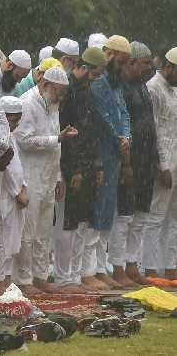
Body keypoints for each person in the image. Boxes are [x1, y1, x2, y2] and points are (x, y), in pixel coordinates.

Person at [13, 66, 73, 294]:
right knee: (28, 231)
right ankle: (23, 280)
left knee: (44, 231)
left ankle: (39, 276)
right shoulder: (27, 103)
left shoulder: (54, 105)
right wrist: (56, 138)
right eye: (59, 91)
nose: (61, 96)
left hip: (48, 176)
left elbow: (55, 145)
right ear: (46, 85)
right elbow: (24, 140)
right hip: (30, 175)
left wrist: (58, 176)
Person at [56, 47, 107, 293]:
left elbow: (91, 132)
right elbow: (67, 134)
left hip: (87, 163)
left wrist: (96, 165)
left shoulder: (86, 91)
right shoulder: (68, 92)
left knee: (82, 222)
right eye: (96, 73)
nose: (98, 79)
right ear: (85, 68)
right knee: (69, 222)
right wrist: (74, 169)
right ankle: (63, 276)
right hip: (71, 164)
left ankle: (74, 275)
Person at [86, 35, 132, 289]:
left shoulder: (116, 83)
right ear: (110, 55)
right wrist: (118, 137)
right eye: (122, 62)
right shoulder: (97, 83)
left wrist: (126, 136)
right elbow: (103, 119)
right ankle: (91, 269)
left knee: (108, 212)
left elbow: (123, 113)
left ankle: (101, 268)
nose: (123, 68)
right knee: (96, 211)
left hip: (115, 153)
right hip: (100, 153)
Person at [109, 42, 157, 288]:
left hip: (147, 160)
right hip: (130, 160)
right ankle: (117, 268)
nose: (151, 67)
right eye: (146, 62)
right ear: (132, 62)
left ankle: (132, 265)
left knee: (141, 216)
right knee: (124, 216)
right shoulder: (121, 87)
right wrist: (126, 163)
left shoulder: (143, 86)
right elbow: (122, 127)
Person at [142, 47, 177, 281]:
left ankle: (171, 266)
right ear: (170, 67)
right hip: (162, 162)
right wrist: (162, 166)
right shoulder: (153, 88)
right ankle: (151, 269)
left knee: (173, 216)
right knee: (155, 216)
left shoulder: (174, 89)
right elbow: (153, 131)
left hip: (176, 159)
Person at [0, 96, 28, 292]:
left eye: (17, 120)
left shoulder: (11, 137)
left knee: (13, 240)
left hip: (15, 195)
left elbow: (19, 167)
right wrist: (17, 191)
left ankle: (6, 277)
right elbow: (6, 169)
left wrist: (23, 187)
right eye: (12, 120)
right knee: (1, 241)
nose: (14, 124)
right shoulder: (1, 138)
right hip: (4, 195)